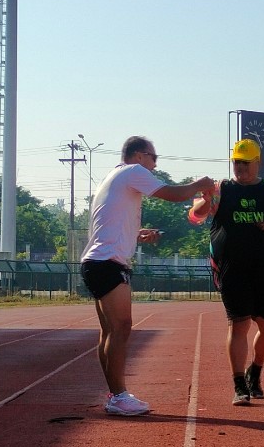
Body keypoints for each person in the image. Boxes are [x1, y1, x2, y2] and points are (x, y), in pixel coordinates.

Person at [81, 137, 215, 417]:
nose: (155, 165)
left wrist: (136, 235)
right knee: (121, 328)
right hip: (106, 262)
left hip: (98, 261)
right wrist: (200, 184)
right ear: (140, 156)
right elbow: (173, 194)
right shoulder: (132, 171)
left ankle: (115, 394)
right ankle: (118, 396)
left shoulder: (114, 177)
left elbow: (110, 223)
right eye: (154, 159)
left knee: (110, 331)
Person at [188, 139, 264, 405]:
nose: (240, 168)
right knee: (238, 324)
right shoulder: (221, 188)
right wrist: (206, 200)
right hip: (232, 268)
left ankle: (255, 371)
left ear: (257, 163)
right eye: (237, 163)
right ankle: (239, 385)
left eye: (246, 163)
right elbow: (194, 216)